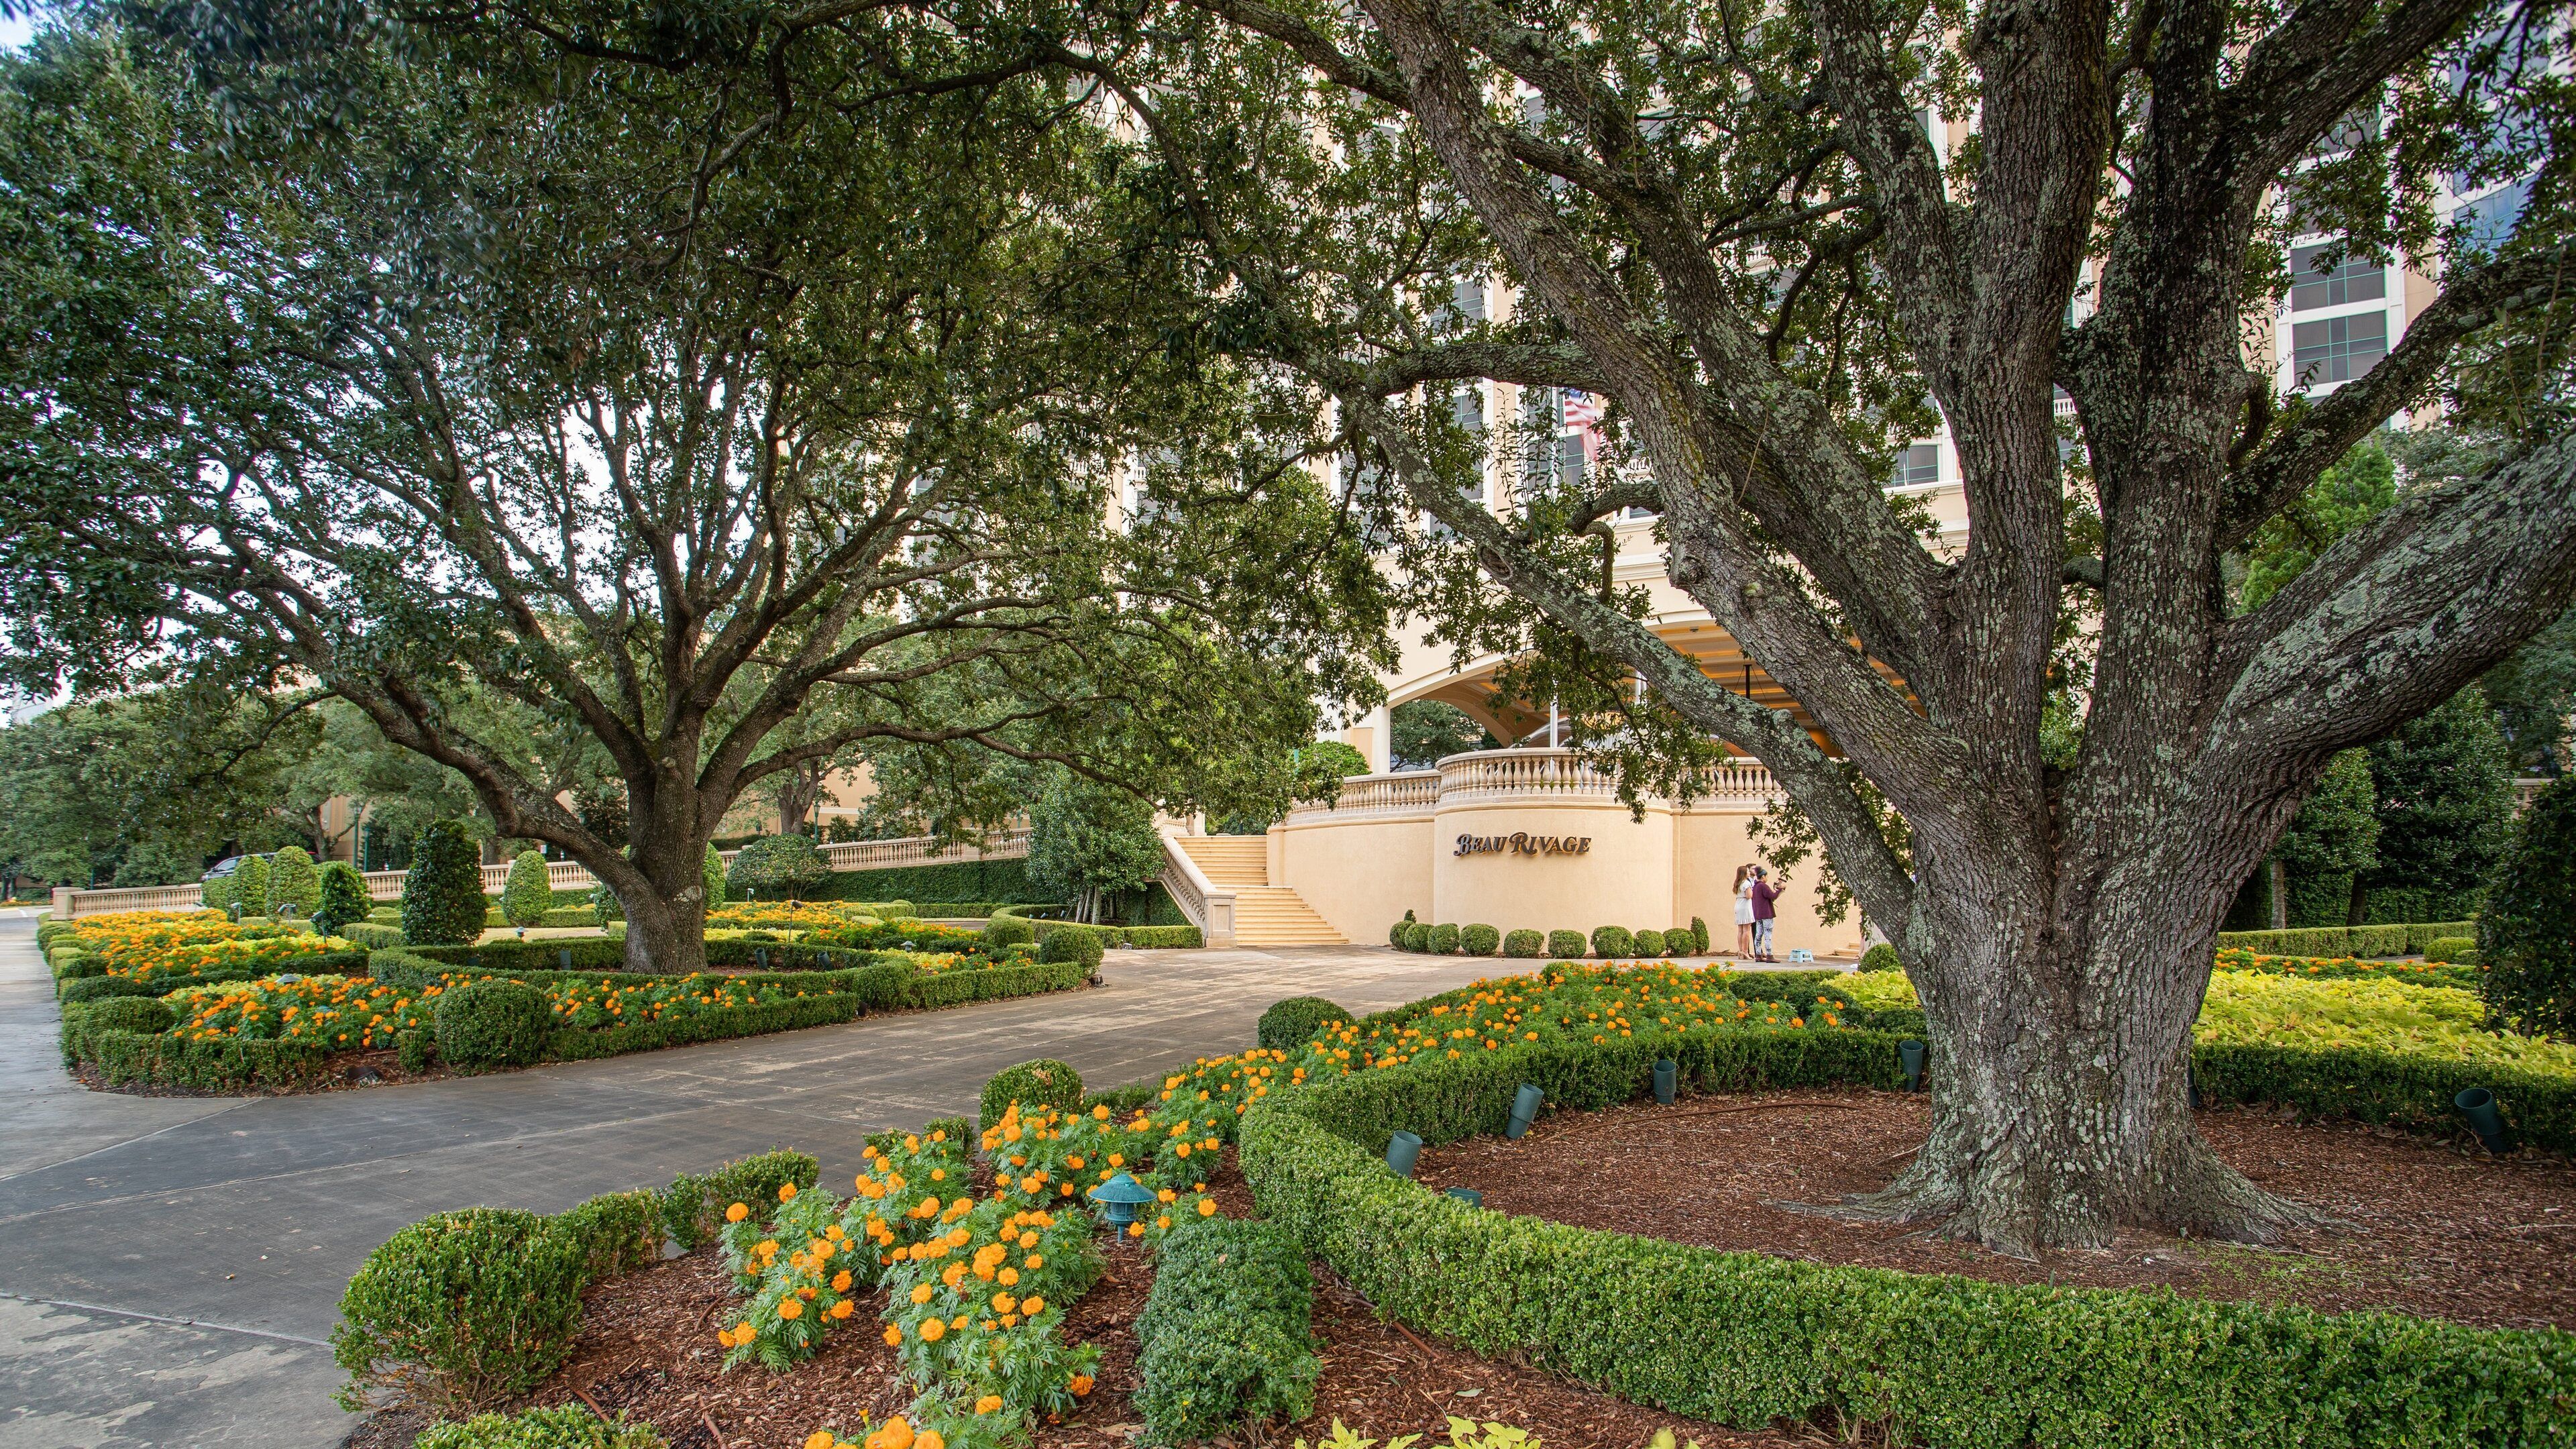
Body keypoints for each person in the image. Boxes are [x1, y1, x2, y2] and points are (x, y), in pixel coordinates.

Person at [1748, 867, 1781, 962]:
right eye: (1767, 876)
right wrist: (1780, 890)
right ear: (1763, 877)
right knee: (1768, 934)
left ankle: (1758, 955)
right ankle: (1769, 955)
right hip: (1767, 914)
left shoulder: (1755, 886)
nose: (1767, 878)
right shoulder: (1763, 886)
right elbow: (1772, 896)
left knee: (1758, 934)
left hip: (1758, 914)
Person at [1731, 863, 1757, 958]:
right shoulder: (1746, 883)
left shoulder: (1738, 883)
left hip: (1738, 905)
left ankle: (1741, 950)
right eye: (1748, 872)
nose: (1749, 873)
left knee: (1740, 930)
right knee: (1746, 930)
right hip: (1746, 906)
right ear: (1745, 873)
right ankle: (1745, 951)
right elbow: (1749, 895)